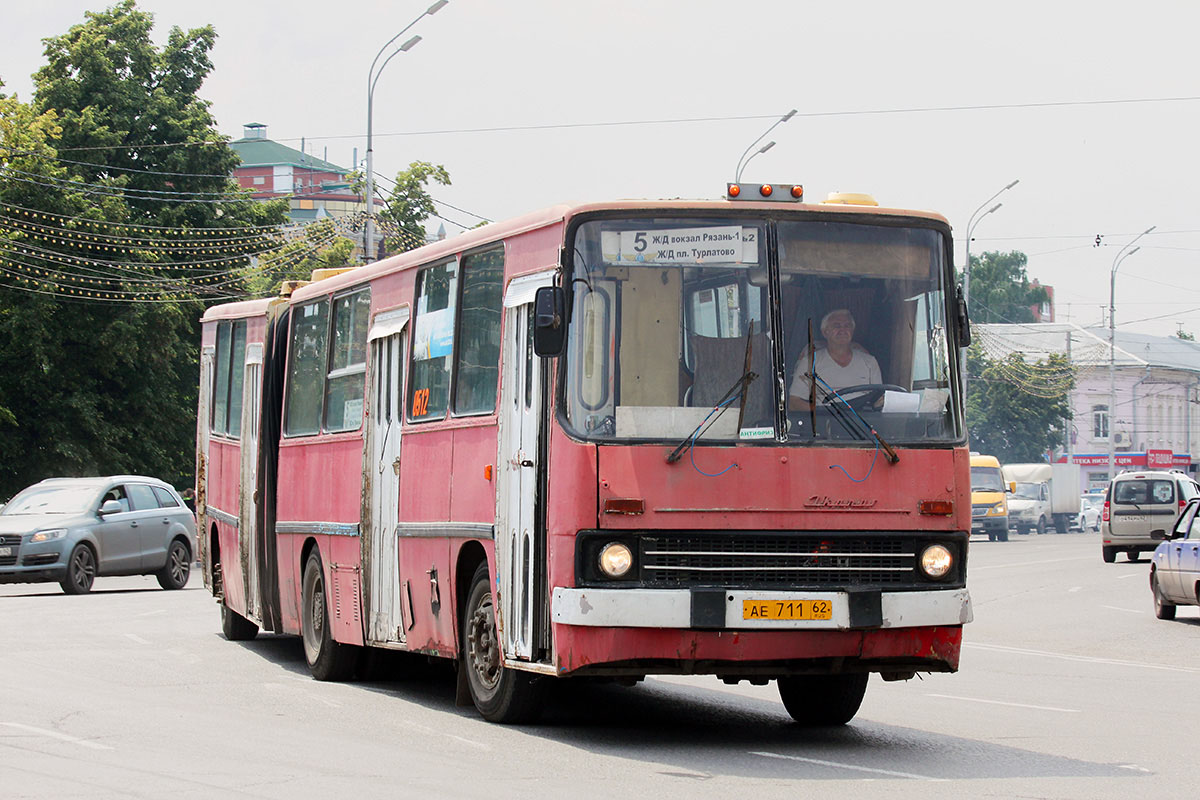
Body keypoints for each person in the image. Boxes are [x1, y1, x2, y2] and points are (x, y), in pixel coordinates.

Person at [788, 308, 881, 411]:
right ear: (825, 332)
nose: (843, 330)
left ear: (852, 331)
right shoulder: (810, 362)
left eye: (847, 326)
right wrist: (821, 414)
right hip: (825, 421)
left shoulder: (870, 362)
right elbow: (793, 402)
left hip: (862, 420)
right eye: (837, 326)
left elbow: (879, 400)